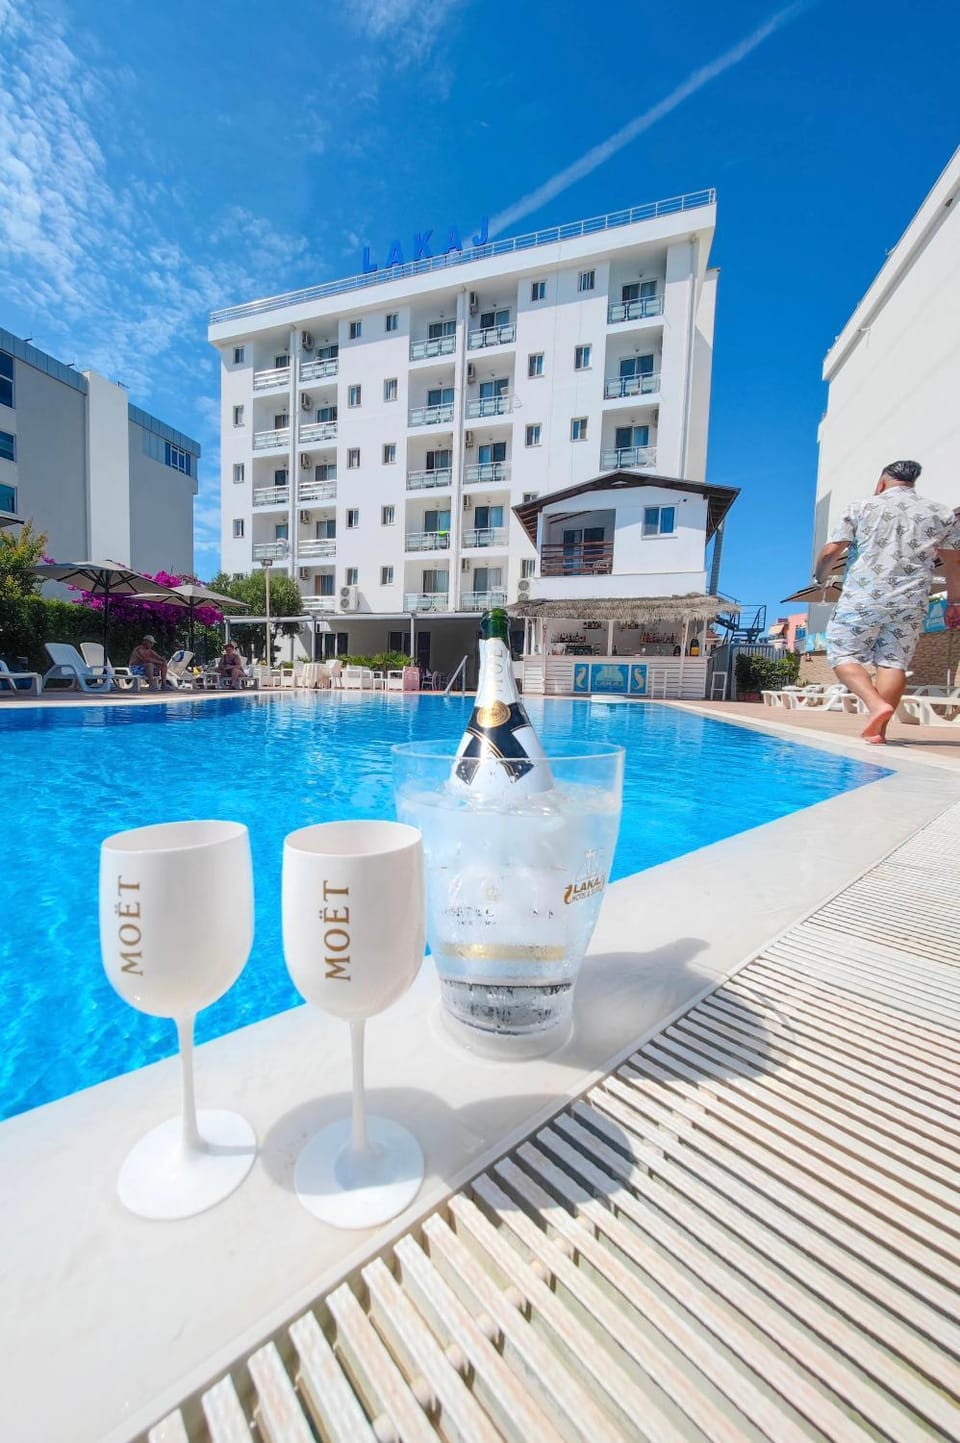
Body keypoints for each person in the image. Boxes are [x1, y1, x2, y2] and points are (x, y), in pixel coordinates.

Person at [814, 460, 960, 743]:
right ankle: (878, 732)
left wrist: (820, 575)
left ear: (882, 482)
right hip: (911, 600)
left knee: (842, 654)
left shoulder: (862, 507)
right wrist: (954, 603)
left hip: (862, 597)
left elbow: (832, 550)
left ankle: (875, 705)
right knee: (893, 662)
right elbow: (955, 564)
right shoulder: (941, 513)